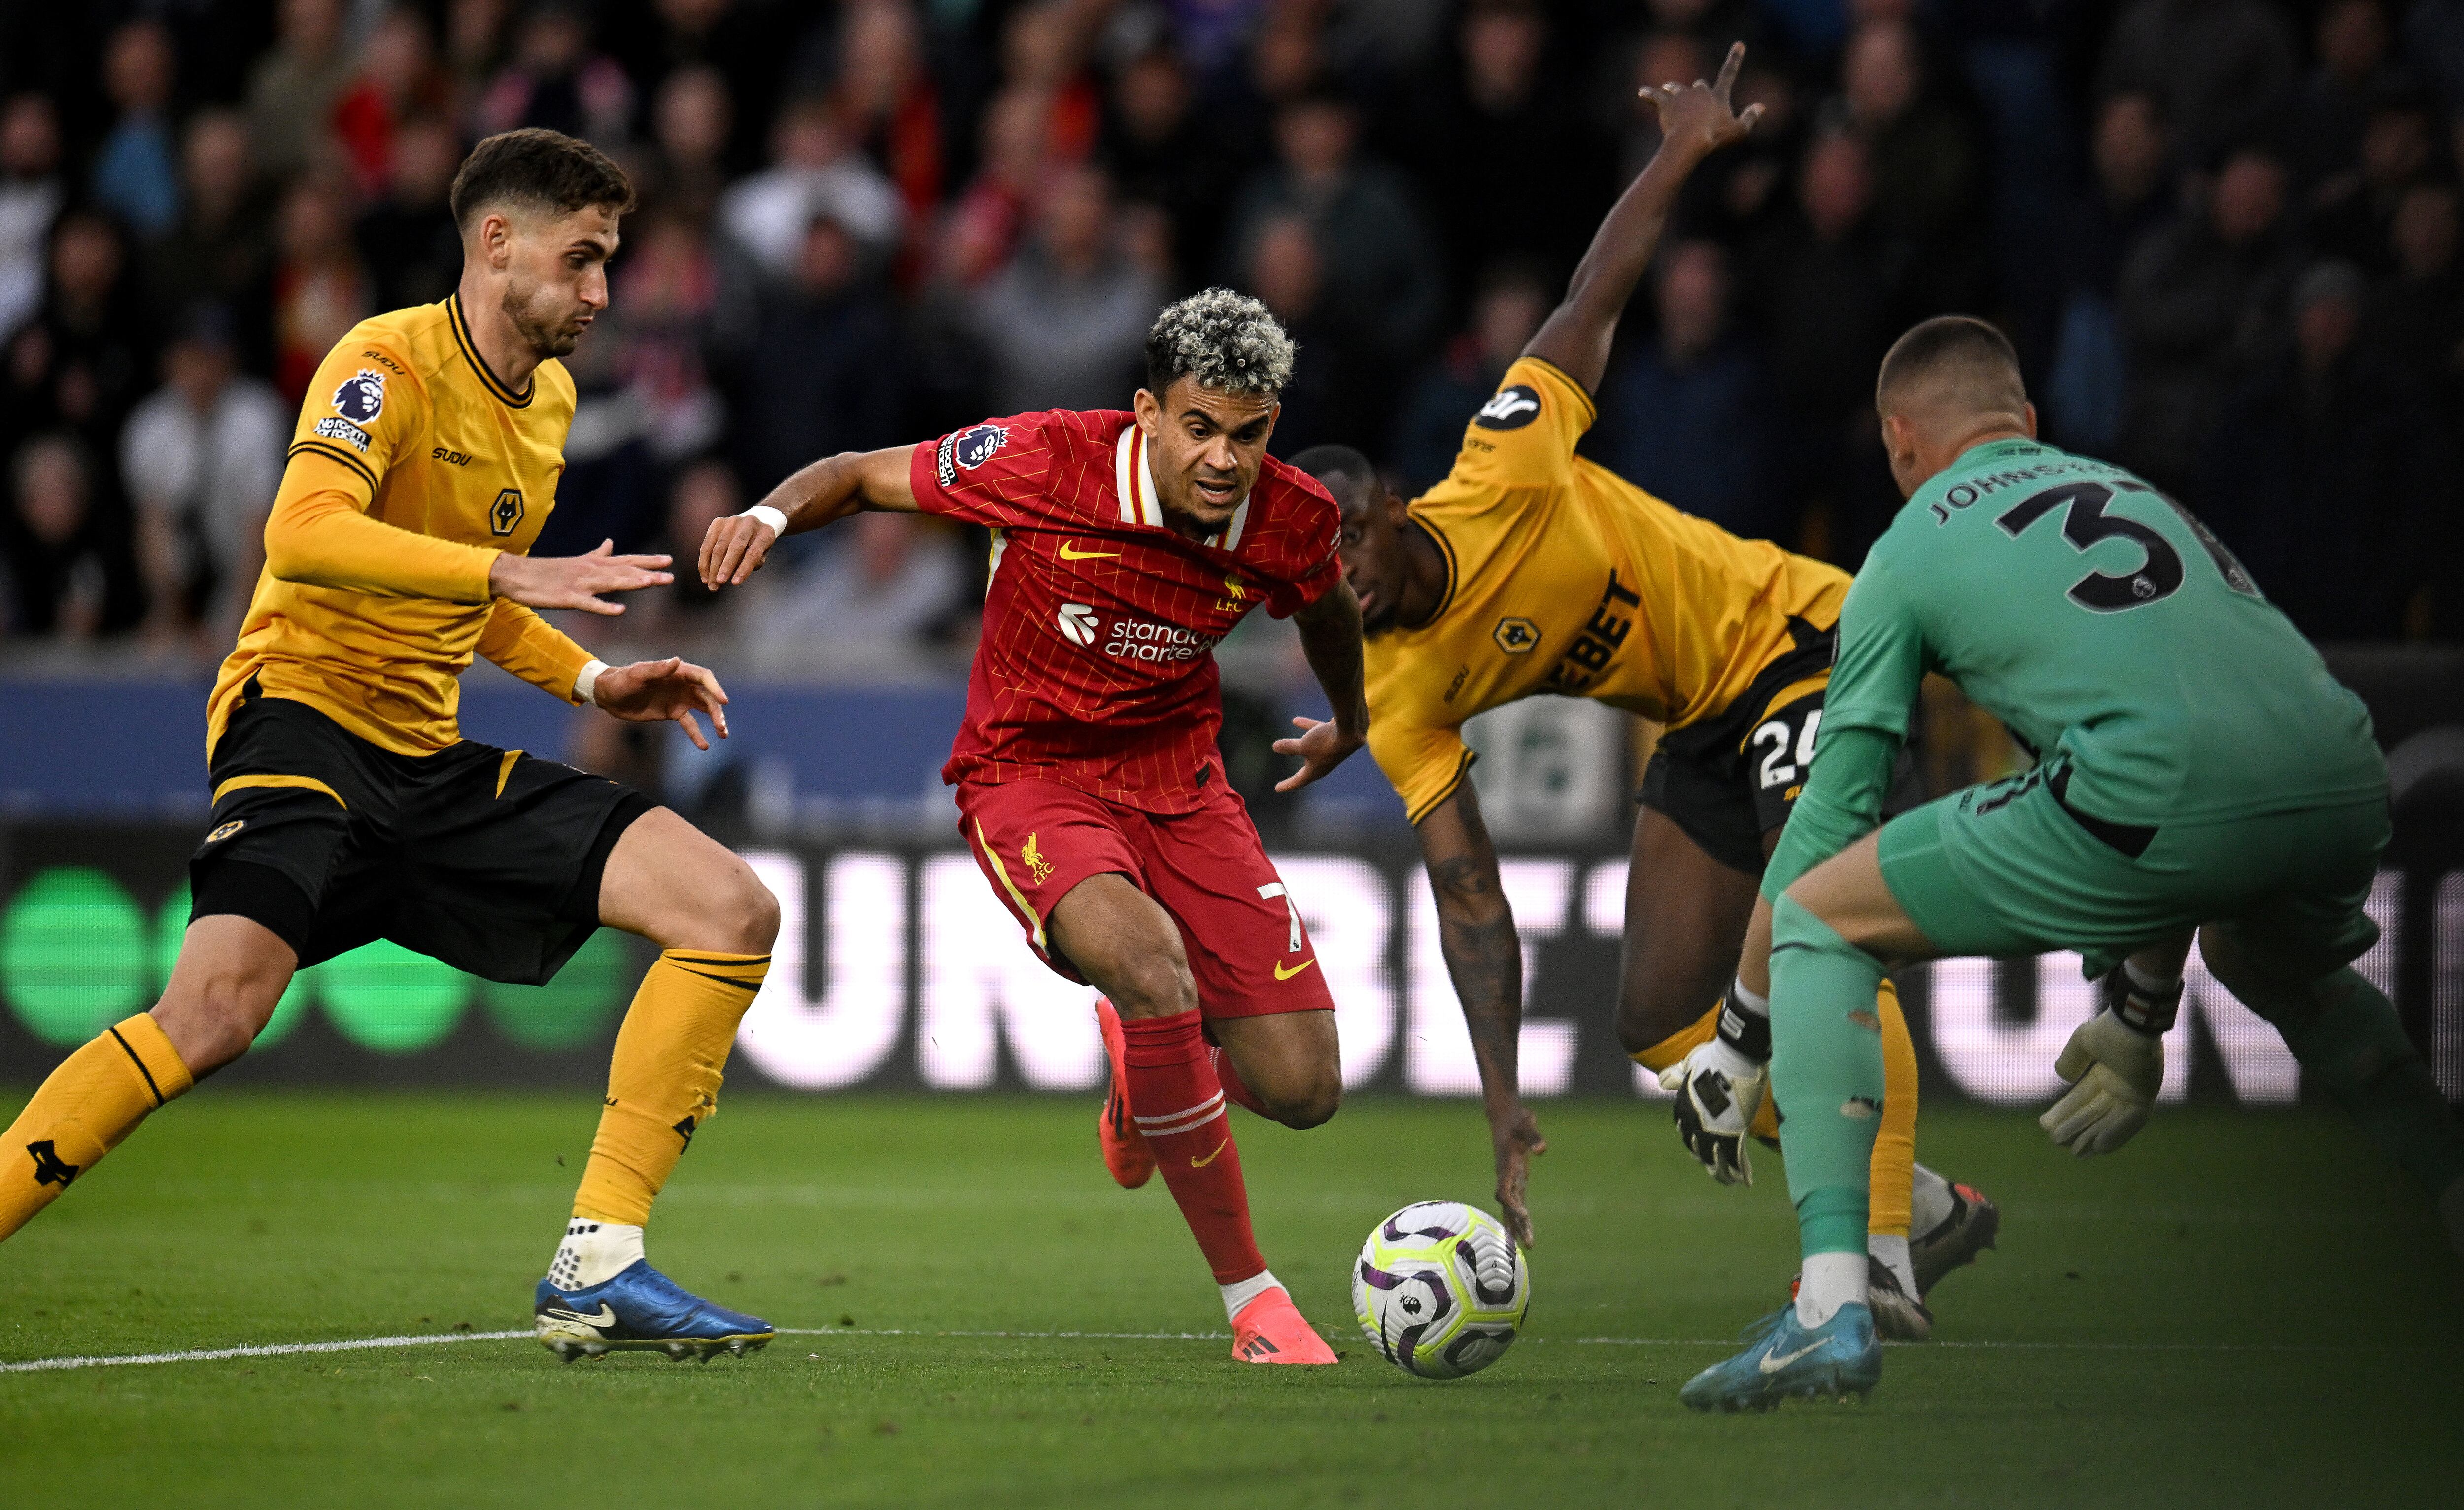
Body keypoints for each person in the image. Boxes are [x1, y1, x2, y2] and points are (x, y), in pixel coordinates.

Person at [0, 130, 789, 1368]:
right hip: (301, 719)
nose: (599, 291)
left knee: (730, 906)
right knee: (211, 1014)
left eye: (607, 264)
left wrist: (593, 676)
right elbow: (304, 530)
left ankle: (600, 1263)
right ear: (496, 242)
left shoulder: (556, 399)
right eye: (582, 260)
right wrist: (506, 567)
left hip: (424, 758)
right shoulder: (384, 360)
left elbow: (470, 598)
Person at [1297, 47, 1993, 1341]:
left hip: (1804, 637)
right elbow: (1470, 900)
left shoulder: (1506, 454)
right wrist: (1501, 1100)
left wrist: (1679, 150)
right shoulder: (1396, 689)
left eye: (1343, 539)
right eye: (1309, 565)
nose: (1336, 576)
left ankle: (1881, 1239)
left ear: (1392, 507)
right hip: (1710, 717)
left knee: (1811, 927)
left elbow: (1595, 292)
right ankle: (1934, 1207)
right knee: (1662, 1017)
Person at [1678, 316, 2464, 1411]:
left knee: (1819, 916)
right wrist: (2141, 1012)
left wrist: (1742, 1028)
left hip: (2160, 791)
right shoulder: (2135, 492)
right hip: (2339, 768)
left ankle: (1830, 1305)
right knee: (2276, 964)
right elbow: (2202, 745)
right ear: (2026, 425)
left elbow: (1830, 816)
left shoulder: (1904, 550)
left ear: (1899, 441)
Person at [698, 289, 1370, 1366]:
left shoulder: (1291, 517)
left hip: (1183, 785)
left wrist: (1352, 718)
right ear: (1147, 411)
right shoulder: (1044, 458)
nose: (1221, 459)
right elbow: (861, 473)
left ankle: (1148, 1077)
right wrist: (770, 517)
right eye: (1198, 427)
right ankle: (1255, 1301)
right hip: (1031, 776)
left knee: (1306, 1088)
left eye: (1247, 434)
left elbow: (1326, 603)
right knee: (1152, 970)